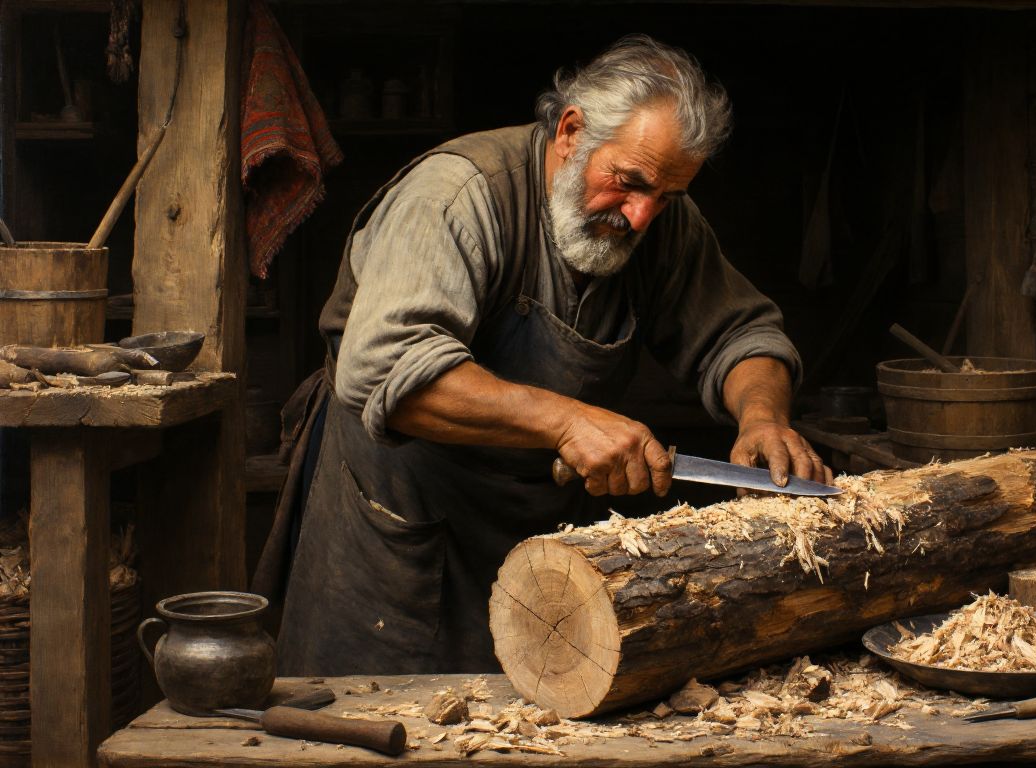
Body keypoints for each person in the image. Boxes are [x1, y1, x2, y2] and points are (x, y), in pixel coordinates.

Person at [272, 34, 827, 675]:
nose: (641, 217)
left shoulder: (658, 216)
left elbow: (741, 333)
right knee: (379, 710)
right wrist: (568, 422)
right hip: (403, 527)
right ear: (570, 132)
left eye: (666, 196)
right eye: (629, 183)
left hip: (540, 540)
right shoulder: (455, 195)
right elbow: (388, 370)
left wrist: (762, 417)